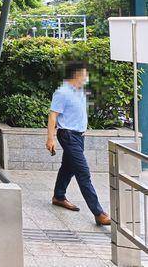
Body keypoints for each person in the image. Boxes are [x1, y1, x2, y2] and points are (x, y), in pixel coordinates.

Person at [46, 61, 111, 226]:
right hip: (68, 135)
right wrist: (50, 138)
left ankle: (58, 196)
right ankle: (99, 213)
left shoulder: (80, 91)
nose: (86, 77)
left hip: (79, 136)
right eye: (84, 74)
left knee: (67, 168)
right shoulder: (62, 92)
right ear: (76, 74)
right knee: (83, 173)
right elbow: (53, 116)